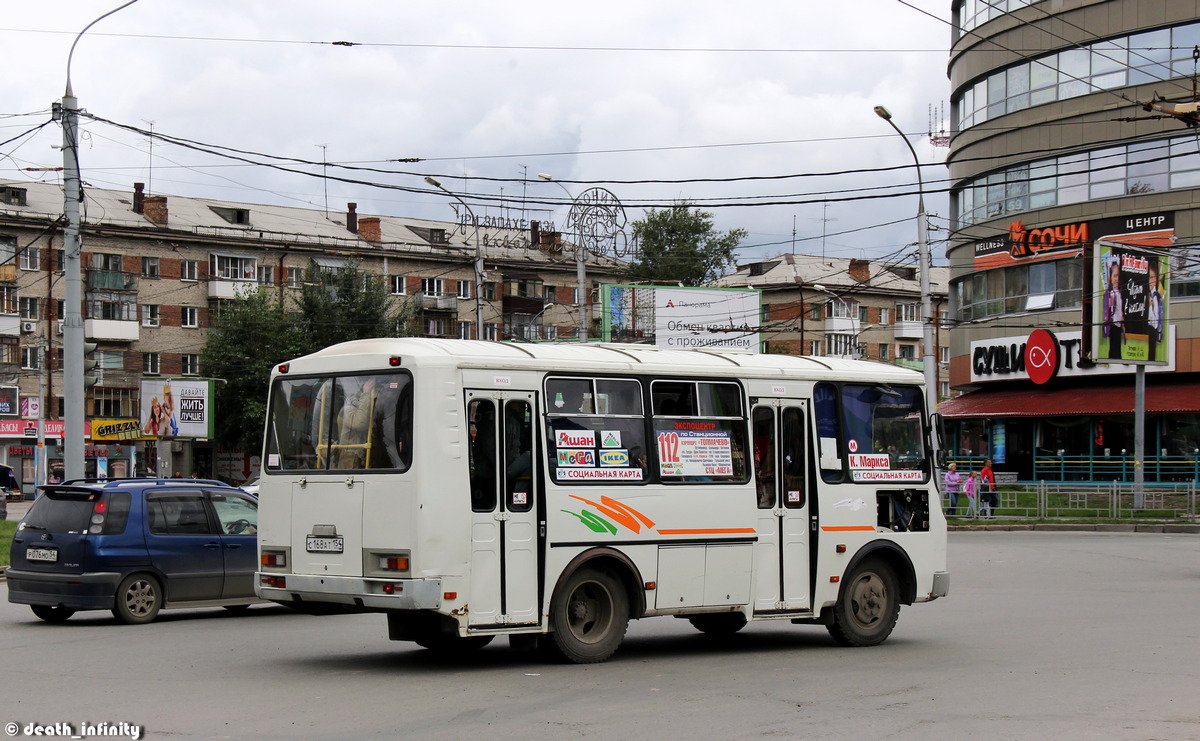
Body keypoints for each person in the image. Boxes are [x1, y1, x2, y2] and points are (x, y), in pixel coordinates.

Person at [1102, 255, 1124, 360]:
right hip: (1112, 325)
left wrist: (1123, 325)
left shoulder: (1119, 293)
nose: (1117, 279)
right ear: (1110, 277)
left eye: (1118, 276)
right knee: (1113, 349)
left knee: (1118, 348)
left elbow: (1121, 310)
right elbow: (1106, 310)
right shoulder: (1109, 293)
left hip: (1119, 325)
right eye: (1114, 276)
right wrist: (1110, 303)